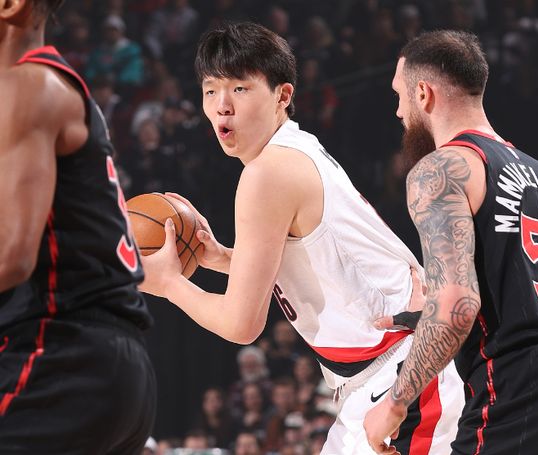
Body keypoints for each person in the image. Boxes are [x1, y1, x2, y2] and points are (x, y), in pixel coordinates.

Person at [139, 22, 463, 454]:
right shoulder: (297, 149)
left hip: (403, 371)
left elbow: (240, 324)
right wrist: (221, 258)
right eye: (211, 90)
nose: (222, 106)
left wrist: (168, 283)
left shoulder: (267, 173)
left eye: (239, 89)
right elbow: (320, 262)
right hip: (390, 372)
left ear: (282, 95)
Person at [363, 30, 538, 454]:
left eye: (399, 95)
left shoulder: (442, 169)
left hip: (528, 385)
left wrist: (395, 403)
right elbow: (536, 295)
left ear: (423, 93)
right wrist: (429, 314)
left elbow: (457, 306)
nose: (398, 111)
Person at [0, 1, 156, 453]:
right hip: (103, 366)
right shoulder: (48, 89)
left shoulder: (28, 85)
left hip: (60, 355)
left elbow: (11, 256)